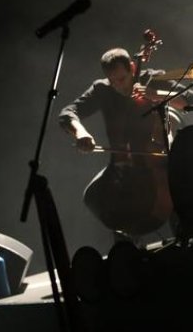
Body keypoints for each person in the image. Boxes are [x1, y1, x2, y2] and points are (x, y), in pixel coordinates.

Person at [59, 48, 176, 239]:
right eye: (112, 81)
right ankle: (126, 254)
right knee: (94, 197)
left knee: (179, 189)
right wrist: (80, 132)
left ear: (131, 67)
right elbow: (68, 113)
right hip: (121, 167)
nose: (118, 87)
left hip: (158, 165)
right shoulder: (102, 89)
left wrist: (155, 94)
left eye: (121, 79)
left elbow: (191, 100)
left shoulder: (151, 79)